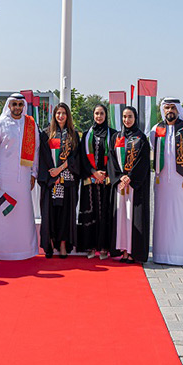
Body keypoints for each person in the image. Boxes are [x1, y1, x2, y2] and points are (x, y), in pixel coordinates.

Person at [0, 92, 39, 260]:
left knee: (22, 215)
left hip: (23, 178)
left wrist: (33, 173)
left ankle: (24, 250)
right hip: (2, 179)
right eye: (14, 104)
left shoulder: (30, 125)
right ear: (9, 106)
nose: (17, 107)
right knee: (2, 213)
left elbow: (36, 151)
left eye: (20, 104)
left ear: (24, 106)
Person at [150, 98, 183, 266]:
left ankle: (182, 255)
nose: (170, 110)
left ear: (178, 110)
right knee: (163, 217)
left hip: (182, 181)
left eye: (173, 108)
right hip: (162, 182)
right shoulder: (156, 130)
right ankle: (161, 254)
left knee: (182, 216)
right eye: (167, 107)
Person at [108, 106, 150, 263]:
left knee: (132, 218)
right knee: (121, 218)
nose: (127, 120)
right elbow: (112, 159)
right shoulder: (116, 137)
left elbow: (143, 161)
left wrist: (130, 177)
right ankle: (123, 250)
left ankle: (133, 252)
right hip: (120, 186)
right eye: (125, 117)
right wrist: (119, 177)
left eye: (130, 116)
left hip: (134, 186)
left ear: (135, 118)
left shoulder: (141, 138)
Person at [38, 102, 80, 258]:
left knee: (65, 215)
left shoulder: (74, 135)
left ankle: (63, 244)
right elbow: (44, 157)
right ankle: (49, 245)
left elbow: (75, 158)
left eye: (63, 113)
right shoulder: (46, 134)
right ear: (54, 115)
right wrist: (52, 176)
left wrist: (60, 171)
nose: (60, 116)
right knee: (49, 214)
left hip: (67, 181)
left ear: (67, 115)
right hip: (50, 181)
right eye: (58, 113)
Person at [76, 103, 116, 259]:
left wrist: (104, 174)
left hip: (106, 181)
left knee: (105, 213)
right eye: (96, 113)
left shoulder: (112, 134)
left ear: (106, 116)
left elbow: (114, 157)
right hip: (89, 180)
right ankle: (90, 247)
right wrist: (93, 172)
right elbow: (82, 157)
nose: (99, 116)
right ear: (93, 115)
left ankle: (104, 247)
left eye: (102, 113)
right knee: (90, 213)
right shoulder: (86, 135)